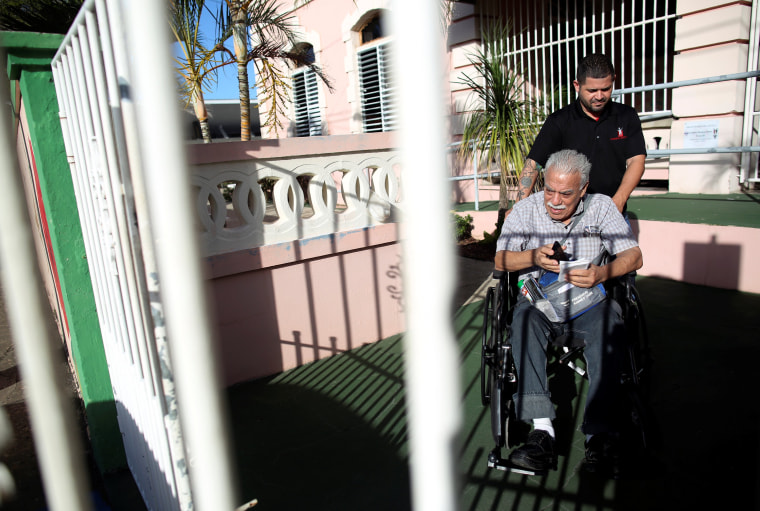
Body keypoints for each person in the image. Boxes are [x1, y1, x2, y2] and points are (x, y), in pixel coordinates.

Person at [494, 149, 643, 473]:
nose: (555, 201)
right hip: (540, 303)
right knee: (523, 321)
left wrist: (602, 274)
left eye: (566, 193)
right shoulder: (526, 210)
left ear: (584, 189)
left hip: (588, 301)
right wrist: (533, 256)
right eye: (549, 190)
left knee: (610, 327)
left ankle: (599, 435)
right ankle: (542, 432)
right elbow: (500, 259)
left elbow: (633, 256)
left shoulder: (601, 207)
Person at [516, 53, 647, 214]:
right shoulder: (559, 121)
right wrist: (518, 208)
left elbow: (636, 161)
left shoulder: (626, 116)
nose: (599, 96)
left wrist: (619, 200)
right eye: (592, 90)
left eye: (606, 89)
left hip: (613, 211)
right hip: (570, 216)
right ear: (577, 85)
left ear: (614, 80)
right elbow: (533, 164)